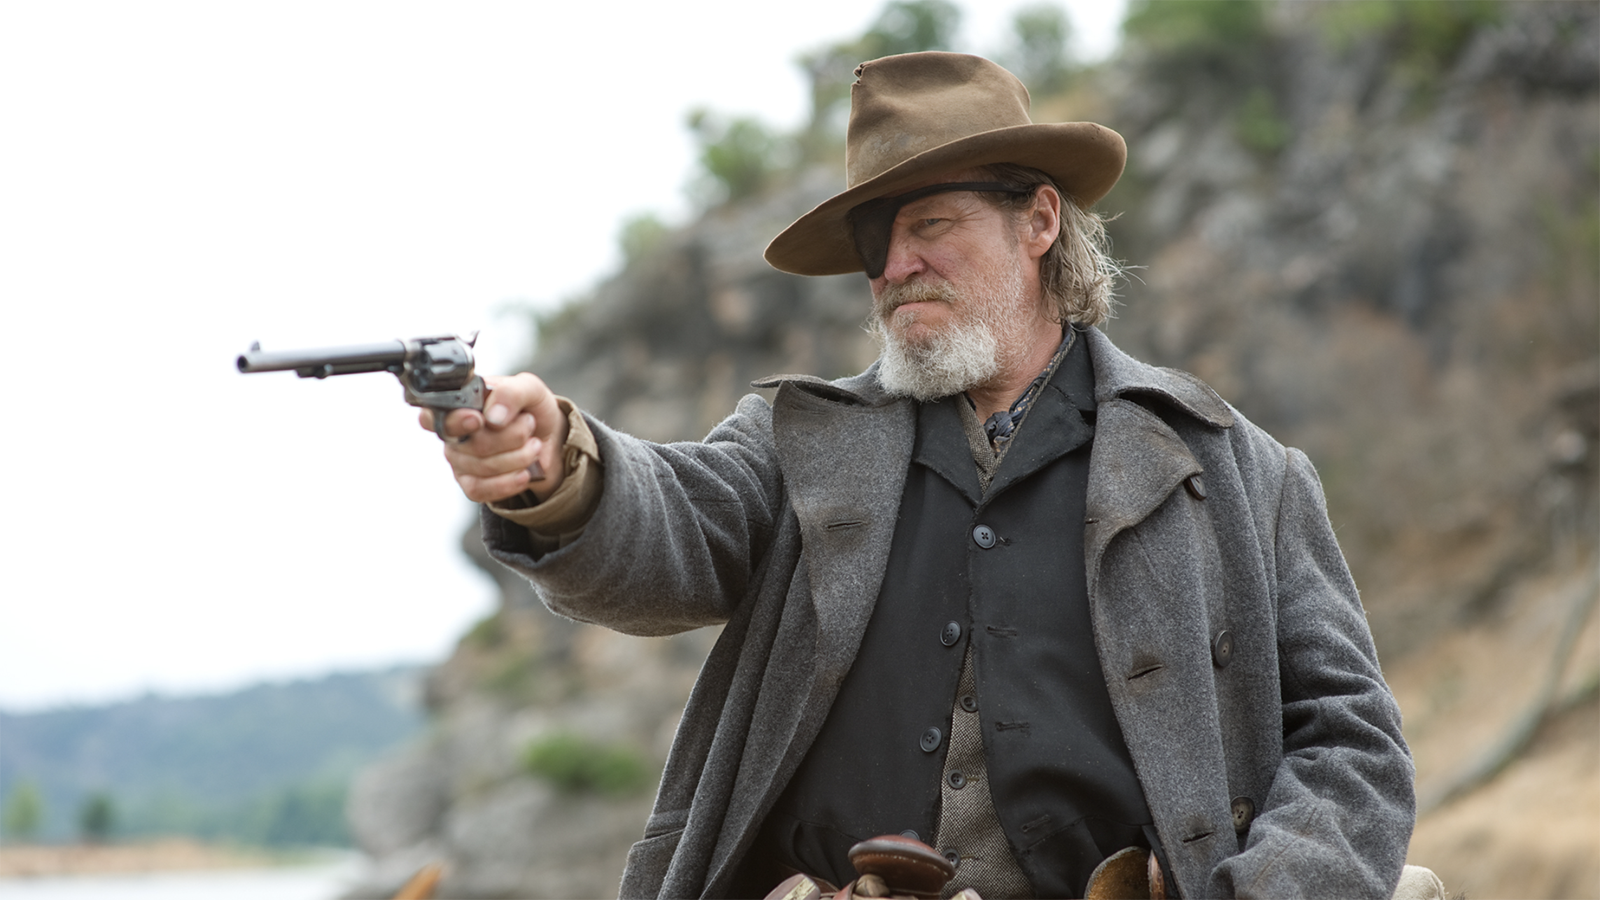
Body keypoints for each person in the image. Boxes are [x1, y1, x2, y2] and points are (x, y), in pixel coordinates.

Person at [424, 52, 1424, 900]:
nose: (895, 265)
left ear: (1037, 223)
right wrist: (555, 464)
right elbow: (668, 528)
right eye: (874, 242)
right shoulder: (796, 441)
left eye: (930, 226)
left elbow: (1352, 748)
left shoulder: (1240, 472)